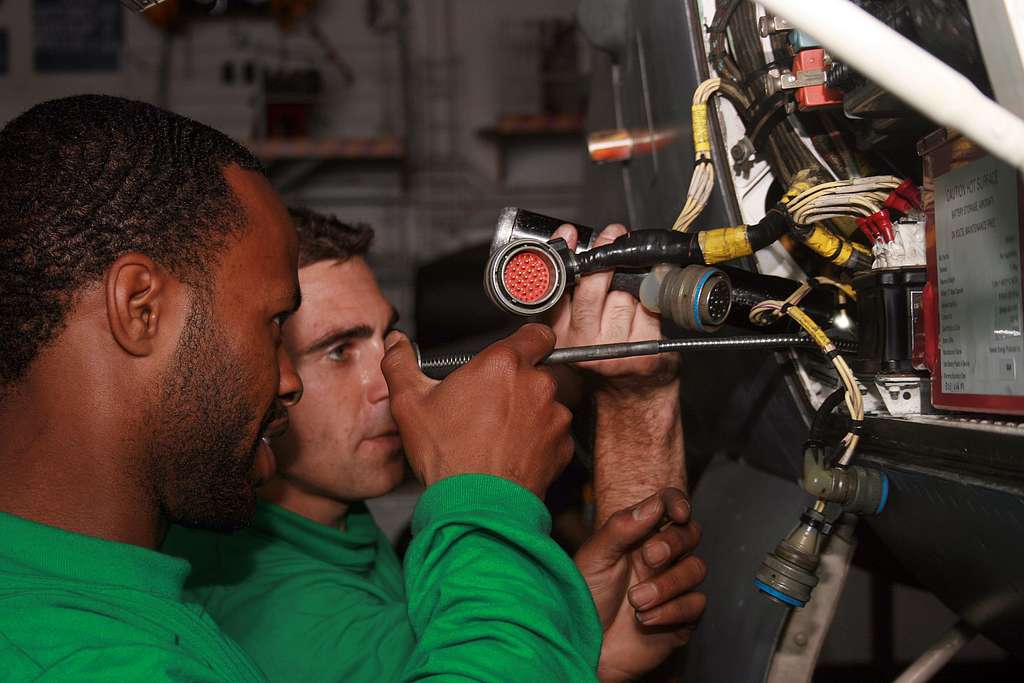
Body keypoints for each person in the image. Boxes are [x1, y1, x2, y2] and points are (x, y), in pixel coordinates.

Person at [0, 95, 604, 681]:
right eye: (271, 327)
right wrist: (488, 503)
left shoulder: (110, 597)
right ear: (139, 308)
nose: (287, 383)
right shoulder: (91, 662)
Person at [165, 209, 706, 682]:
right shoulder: (279, 614)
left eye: (386, 338)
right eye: (338, 351)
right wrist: (485, 494)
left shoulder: (332, 525)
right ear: (256, 373)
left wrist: (578, 633)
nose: (392, 381)